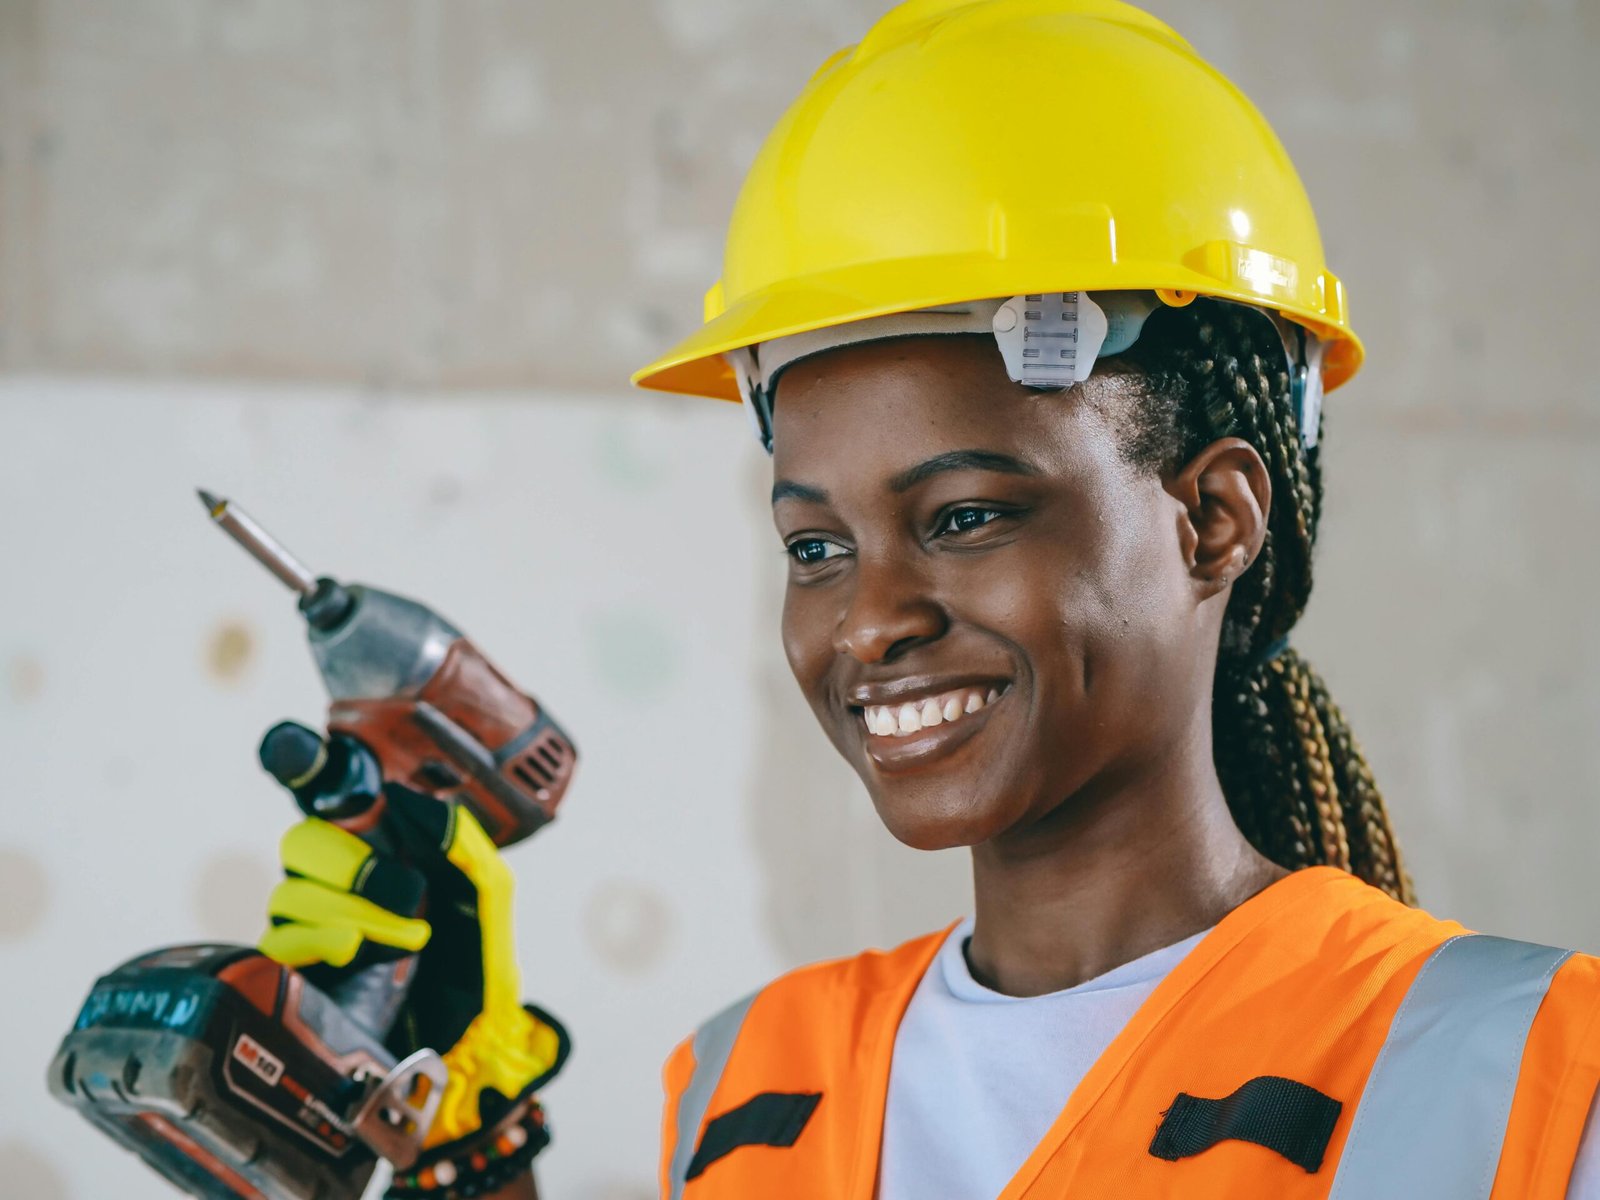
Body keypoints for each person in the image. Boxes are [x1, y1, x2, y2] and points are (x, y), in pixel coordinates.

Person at [262, 2, 1600, 1197]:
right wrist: (461, 1145)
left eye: (965, 517)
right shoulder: (746, 1090)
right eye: (816, 546)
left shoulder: (1521, 1077)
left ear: (1214, 520)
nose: (868, 621)